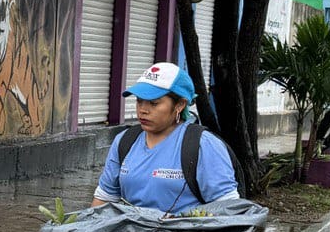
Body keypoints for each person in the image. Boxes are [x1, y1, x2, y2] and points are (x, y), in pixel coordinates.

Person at [93, 62, 239, 214]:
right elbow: (104, 200)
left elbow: (228, 209)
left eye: (153, 103)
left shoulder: (204, 145)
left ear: (180, 105)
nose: (143, 110)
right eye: (139, 100)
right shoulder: (124, 141)